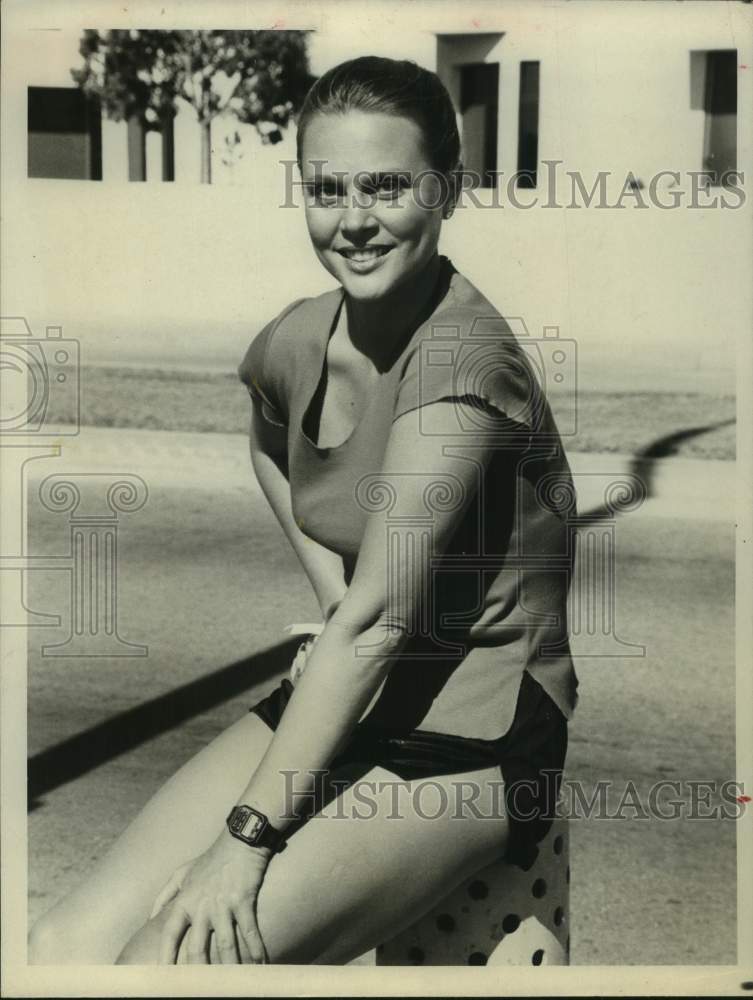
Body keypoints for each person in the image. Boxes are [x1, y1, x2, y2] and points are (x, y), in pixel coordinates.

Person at [28, 55, 578, 967]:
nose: (354, 220)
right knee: (62, 947)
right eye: (328, 189)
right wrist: (333, 590)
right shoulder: (300, 334)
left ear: (449, 188)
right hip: (359, 691)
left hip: (471, 733)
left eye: (388, 185)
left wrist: (242, 842)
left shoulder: (462, 368)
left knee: (171, 966)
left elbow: (376, 625)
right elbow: (267, 439)